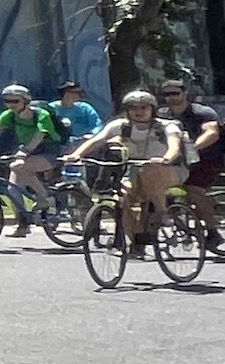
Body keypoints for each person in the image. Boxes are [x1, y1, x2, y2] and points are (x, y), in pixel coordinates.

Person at [66, 89, 188, 248]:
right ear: (127, 111)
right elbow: (97, 140)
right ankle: (136, 240)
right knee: (125, 200)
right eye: (134, 108)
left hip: (170, 169)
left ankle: (163, 213)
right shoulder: (120, 126)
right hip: (136, 170)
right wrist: (76, 155)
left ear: (152, 109)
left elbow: (174, 147)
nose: (139, 112)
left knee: (150, 170)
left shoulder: (167, 127)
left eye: (144, 108)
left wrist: (165, 159)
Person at [0, 84, 61, 235]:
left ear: (26, 101)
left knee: (20, 167)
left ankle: (45, 199)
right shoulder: (10, 115)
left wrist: (23, 153)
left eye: (15, 101)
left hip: (49, 151)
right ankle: (23, 223)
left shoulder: (41, 115)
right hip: (26, 153)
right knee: (12, 189)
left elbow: (39, 137)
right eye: (7, 101)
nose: (10, 104)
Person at [161, 82, 225, 247]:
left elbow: (211, 132)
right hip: (177, 161)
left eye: (174, 93)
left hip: (208, 159)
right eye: (166, 94)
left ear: (185, 93)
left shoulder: (202, 112)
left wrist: (193, 148)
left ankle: (213, 231)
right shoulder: (162, 115)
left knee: (193, 190)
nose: (170, 97)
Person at [52, 81, 103, 150]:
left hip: (84, 142)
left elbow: (97, 125)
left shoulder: (85, 108)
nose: (79, 95)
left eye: (80, 93)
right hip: (59, 143)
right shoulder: (52, 108)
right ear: (65, 94)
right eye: (75, 93)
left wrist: (93, 135)